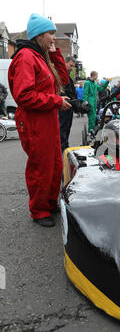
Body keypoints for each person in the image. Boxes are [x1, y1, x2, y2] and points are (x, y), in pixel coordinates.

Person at [8, 13, 71, 227]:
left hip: (47, 117)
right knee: (40, 166)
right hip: (35, 120)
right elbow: (23, 95)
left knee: (54, 164)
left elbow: (62, 79)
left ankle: (49, 202)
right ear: (39, 35)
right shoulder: (26, 57)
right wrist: (55, 101)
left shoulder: (40, 56)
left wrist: (56, 54)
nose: (54, 37)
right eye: (50, 33)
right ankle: (39, 210)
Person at [59, 56, 77, 153]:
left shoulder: (67, 76)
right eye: (70, 65)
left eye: (73, 66)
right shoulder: (61, 75)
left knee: (66, 128)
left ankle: (65, 146)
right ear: (65, 63)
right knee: (62, 128)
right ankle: (63, 148)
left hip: (69, 105)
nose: (71, 68)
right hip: (63, 106)